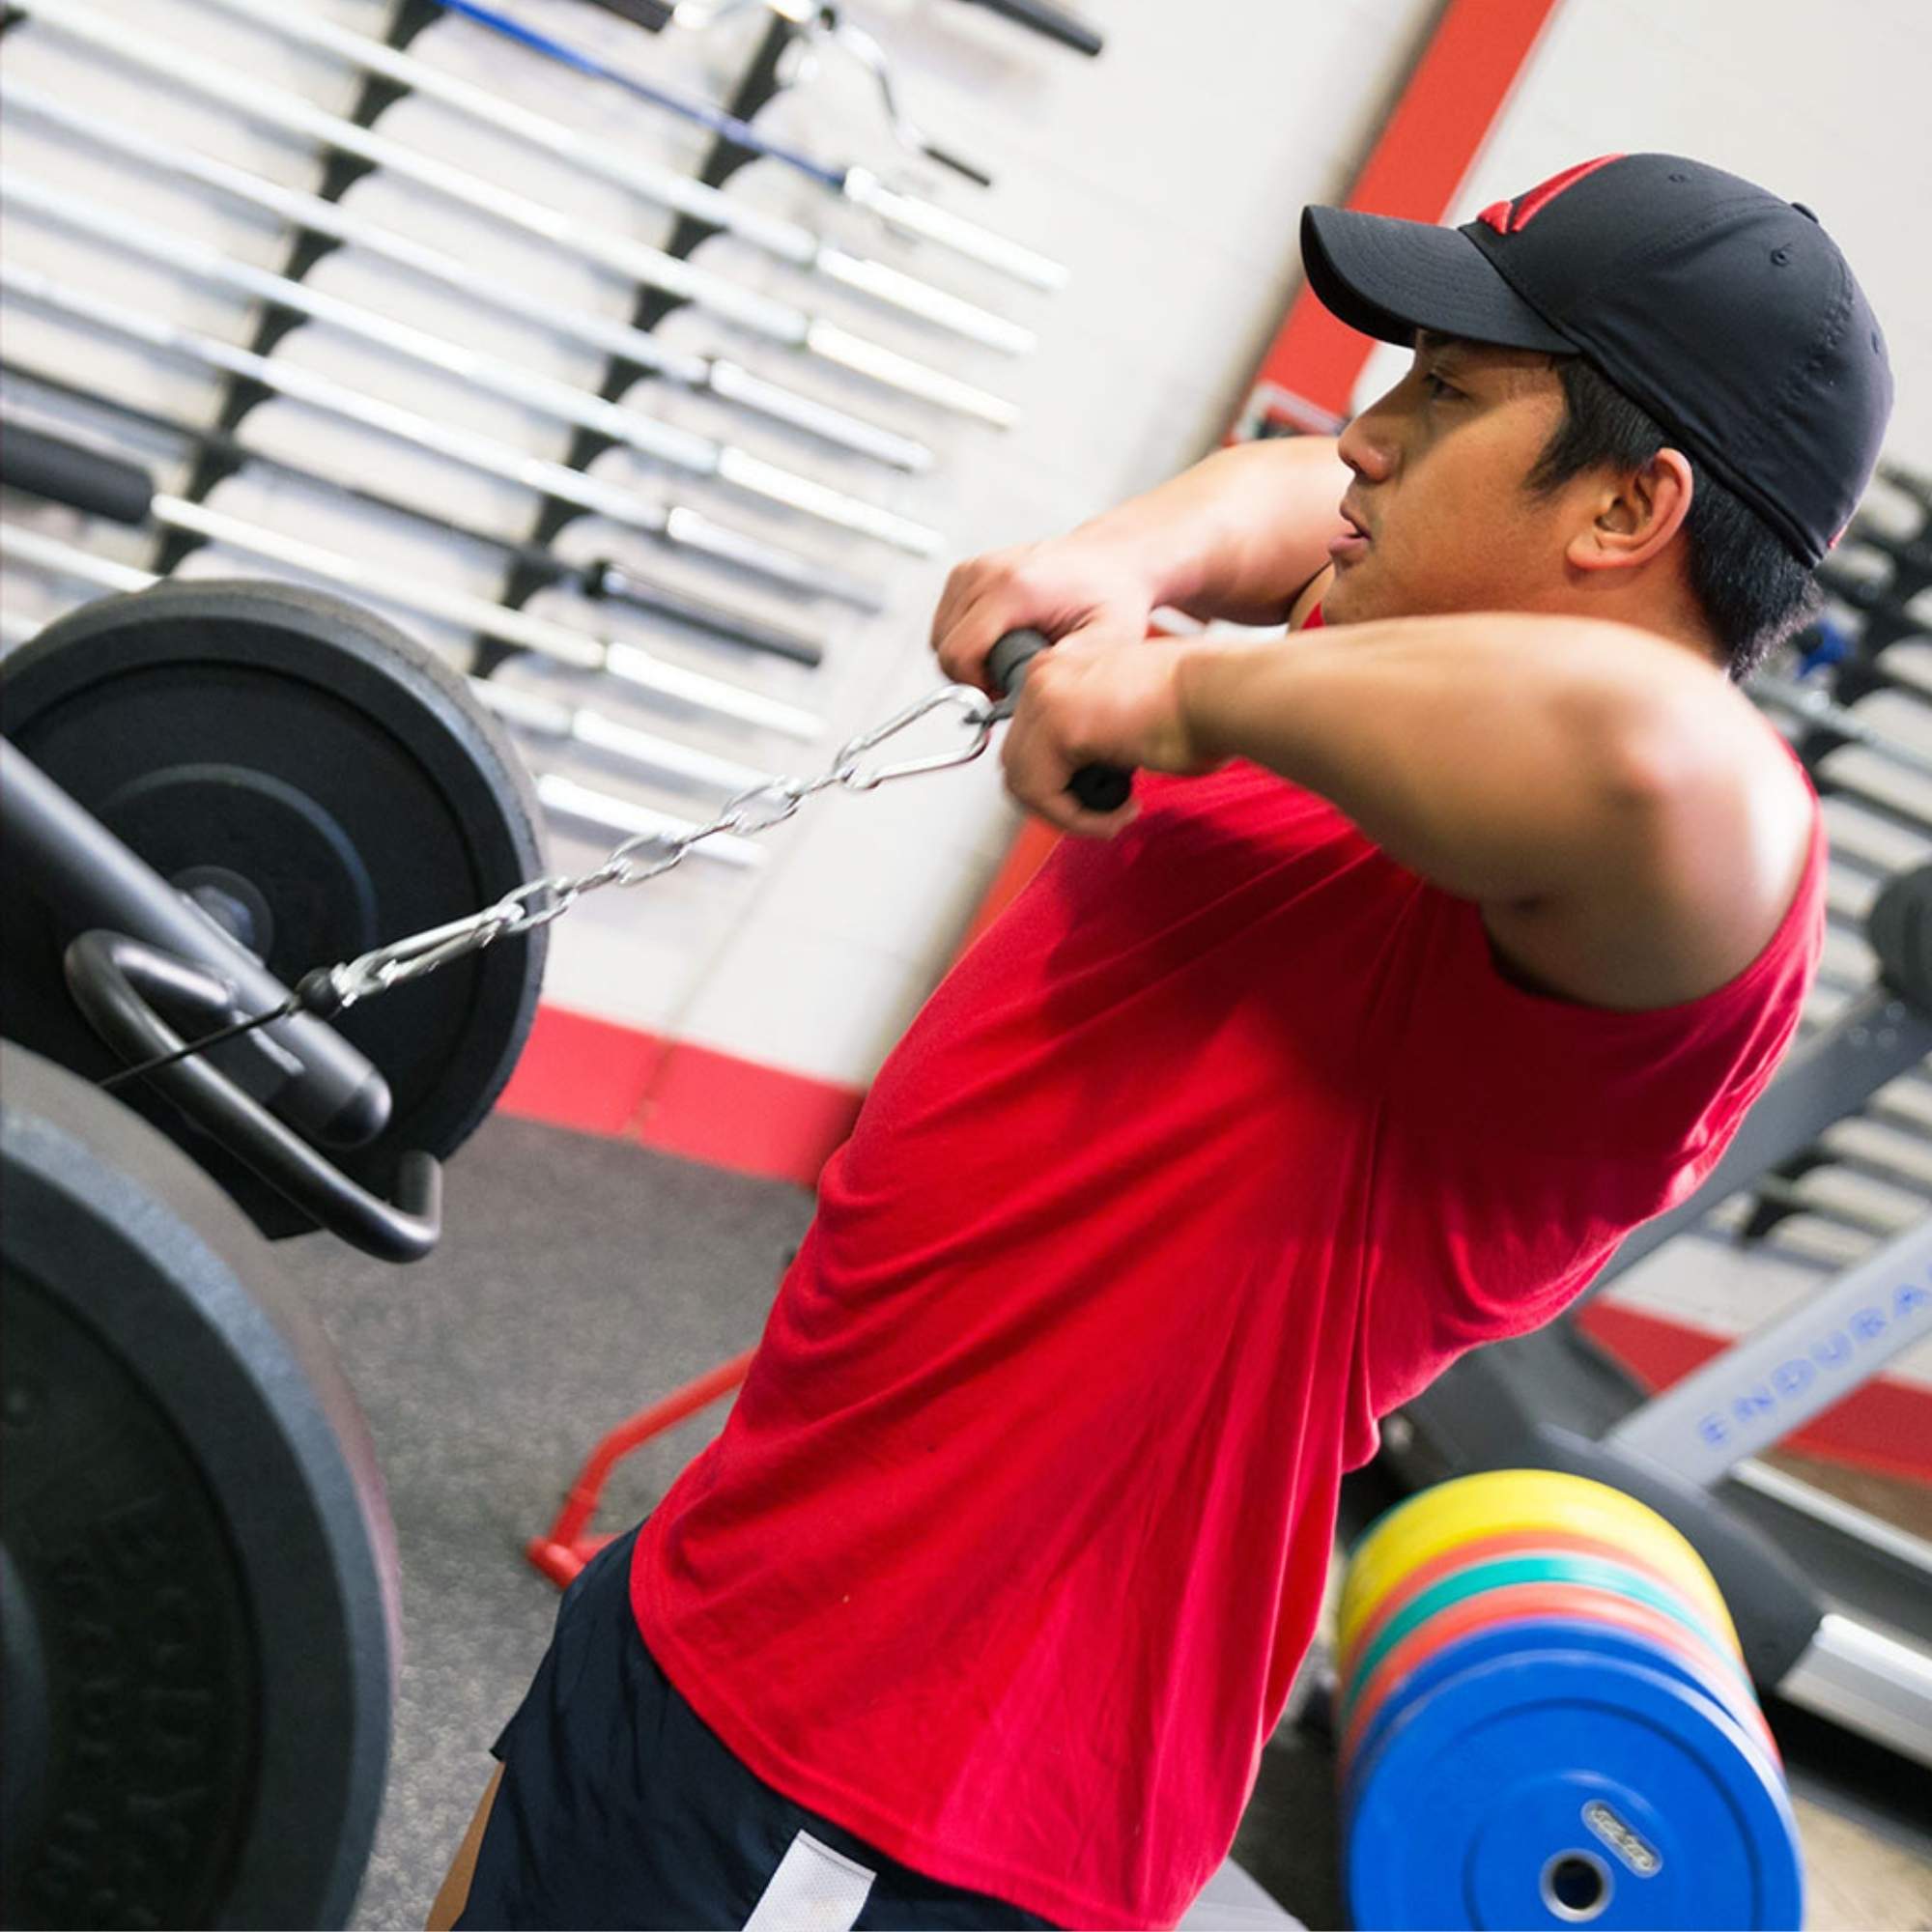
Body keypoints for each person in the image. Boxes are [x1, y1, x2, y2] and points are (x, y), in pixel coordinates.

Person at [433, 153, 1891, 1931]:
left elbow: (1678, 758)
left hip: (908, 1784)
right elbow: (1290, 486)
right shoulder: (1392, 654)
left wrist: (1186, 680)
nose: (1364, 438)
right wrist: (1109, 562)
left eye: (1441, 398)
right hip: (746, 1582)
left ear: (1623, 512)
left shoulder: (1626, 898)